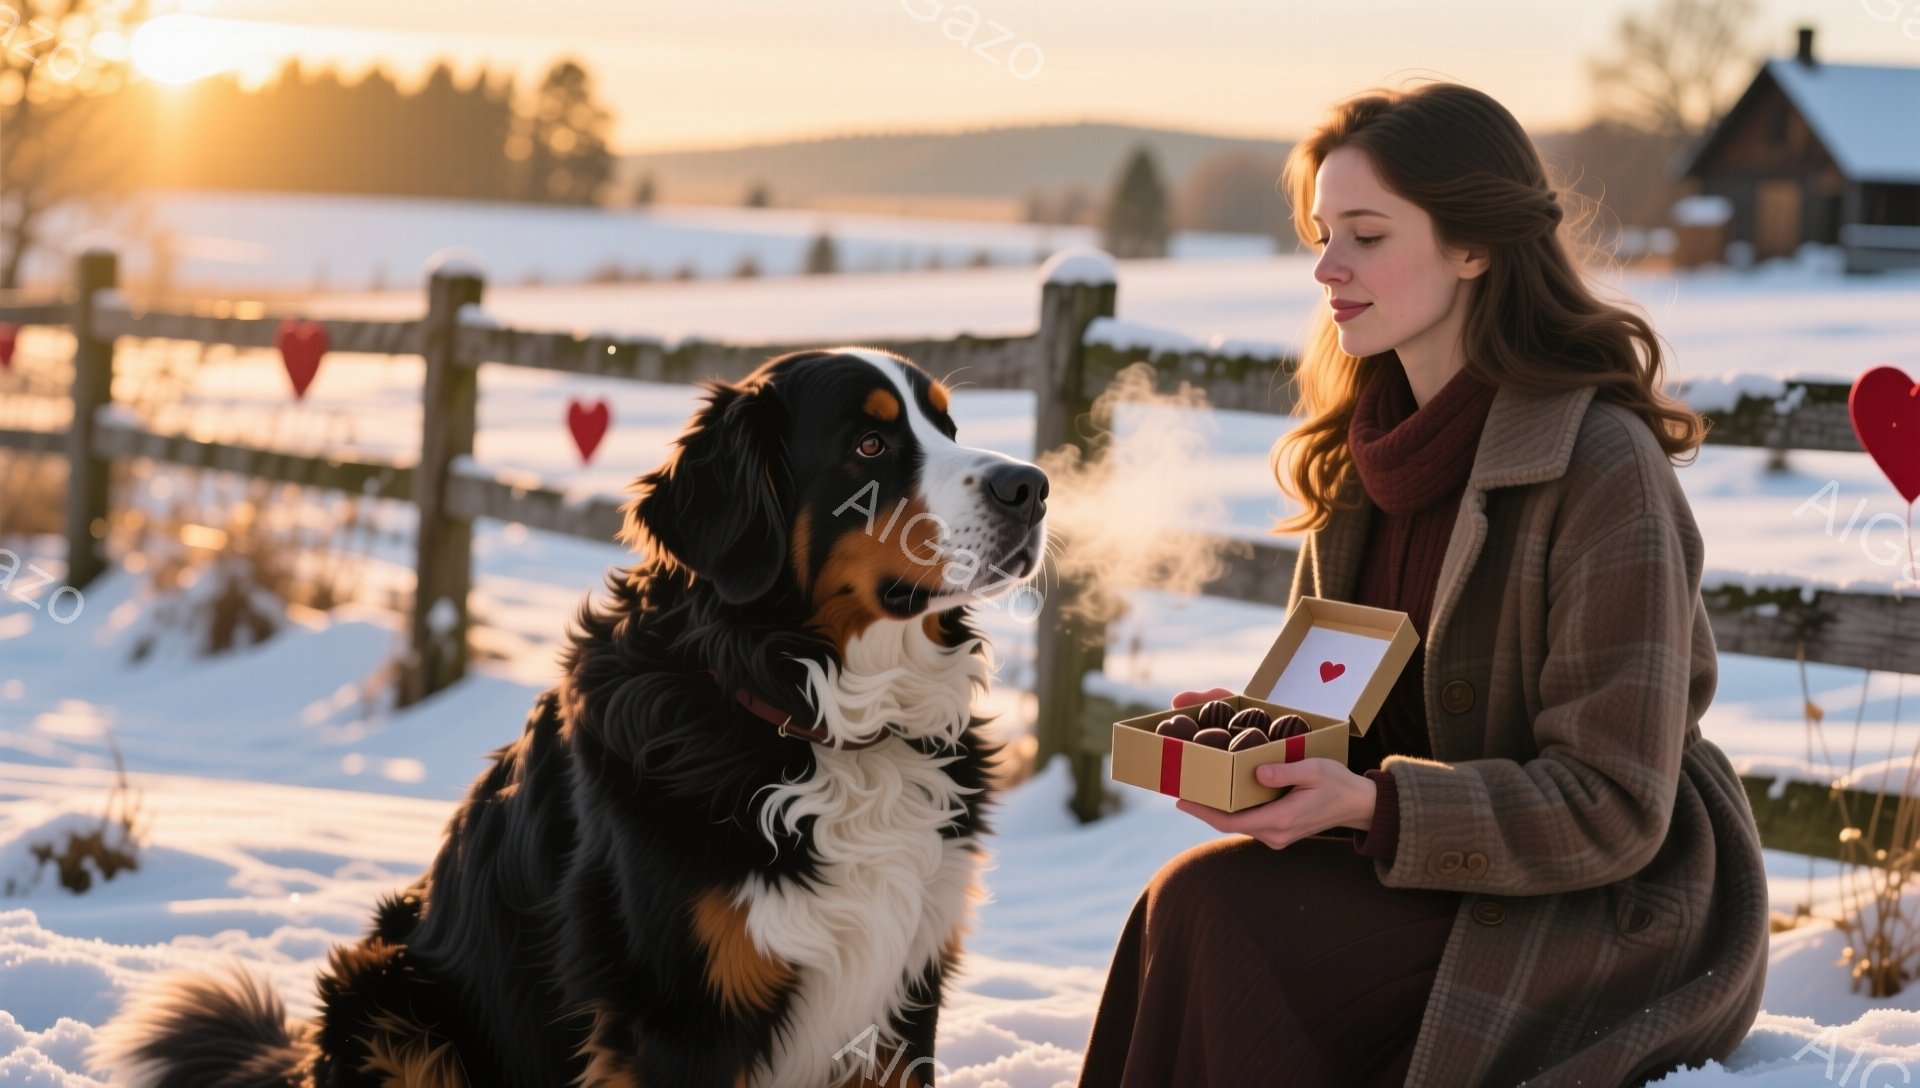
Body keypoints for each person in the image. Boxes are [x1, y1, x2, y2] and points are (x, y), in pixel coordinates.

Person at [1076, 82, 1770, 1087]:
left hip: (1608, 903)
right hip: (1416, 860)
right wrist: (1270, 747)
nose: (1326, 267)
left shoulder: (1601, 465)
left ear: (1474, 245)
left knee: (1221, 919)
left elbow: (1616, 804)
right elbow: (1347, 707)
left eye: (1365, 233)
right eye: (1322, 233)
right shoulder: (1361, 453)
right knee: (1185, 898)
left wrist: (1371, 804)